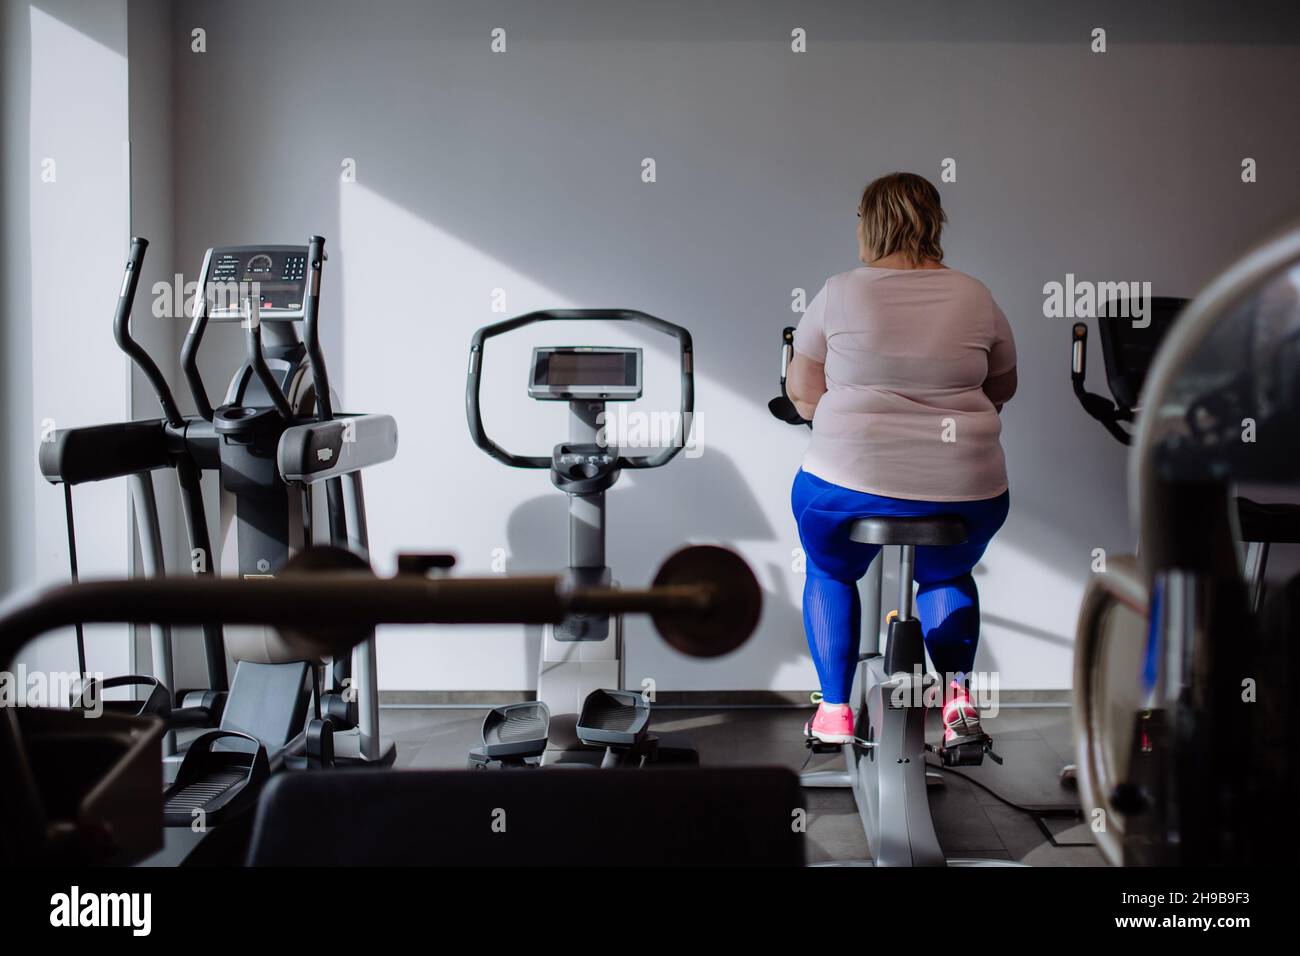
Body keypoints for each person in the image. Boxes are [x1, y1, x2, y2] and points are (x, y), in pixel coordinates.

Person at [786, 171, 1017, 745]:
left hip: (848, 485)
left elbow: (802, 394)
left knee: (831, 569)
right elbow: (1003, 387)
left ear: (869, 224)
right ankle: (958, 698)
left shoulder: (839, 290)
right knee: (948, 571)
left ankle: (835, 709)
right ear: (934, 222)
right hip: (967, 488)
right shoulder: (976, 295)